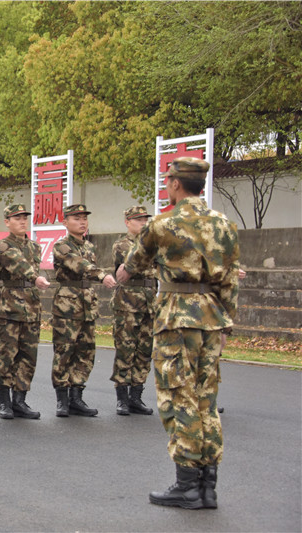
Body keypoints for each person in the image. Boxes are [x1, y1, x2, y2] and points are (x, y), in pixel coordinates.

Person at [118, 157, 239, 510]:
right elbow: (230, 278)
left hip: (176, 316)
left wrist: (125, 273)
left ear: (174, 184)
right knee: (207, 399)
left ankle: (186, 484)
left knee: (178, 396)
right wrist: (226, 320)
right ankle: (208, 486)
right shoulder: (224, 224)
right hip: (212, 317)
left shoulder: (163, 223)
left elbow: (134, 263)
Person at [51, 204, 117, 417]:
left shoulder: (89, 247)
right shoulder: (61, 246)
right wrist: (102, 275)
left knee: (86, 351)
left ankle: (76, 397)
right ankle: (62, 399)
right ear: (65, 222)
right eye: (76, 218)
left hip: (87, 305)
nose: (82, 221)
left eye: (84, 218)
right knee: (64, 351)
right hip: (68, 306)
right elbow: (79, 265)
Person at [0, 204, 51, 420]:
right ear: (7, 221)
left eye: (24, 217)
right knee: (7, 355)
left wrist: (35, 281)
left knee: (28, 356)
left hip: (31, 307)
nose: (22, 221)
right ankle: (5, 402)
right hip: (9, 308)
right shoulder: (1, 245)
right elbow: (17, 263)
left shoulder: (35, 247)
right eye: (17, 218)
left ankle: (20, 400)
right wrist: (35, 278)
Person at [110, 206, 156, 416]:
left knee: (144, 350)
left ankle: (136, 396)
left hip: (148, 302)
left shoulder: (154, 245)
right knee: (125, 348)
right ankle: (122, 397)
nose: (143, 223)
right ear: (128, 222)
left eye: (146, 220)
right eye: (138, 220)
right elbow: (132, 264)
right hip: (128, 303)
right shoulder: (121, 245)